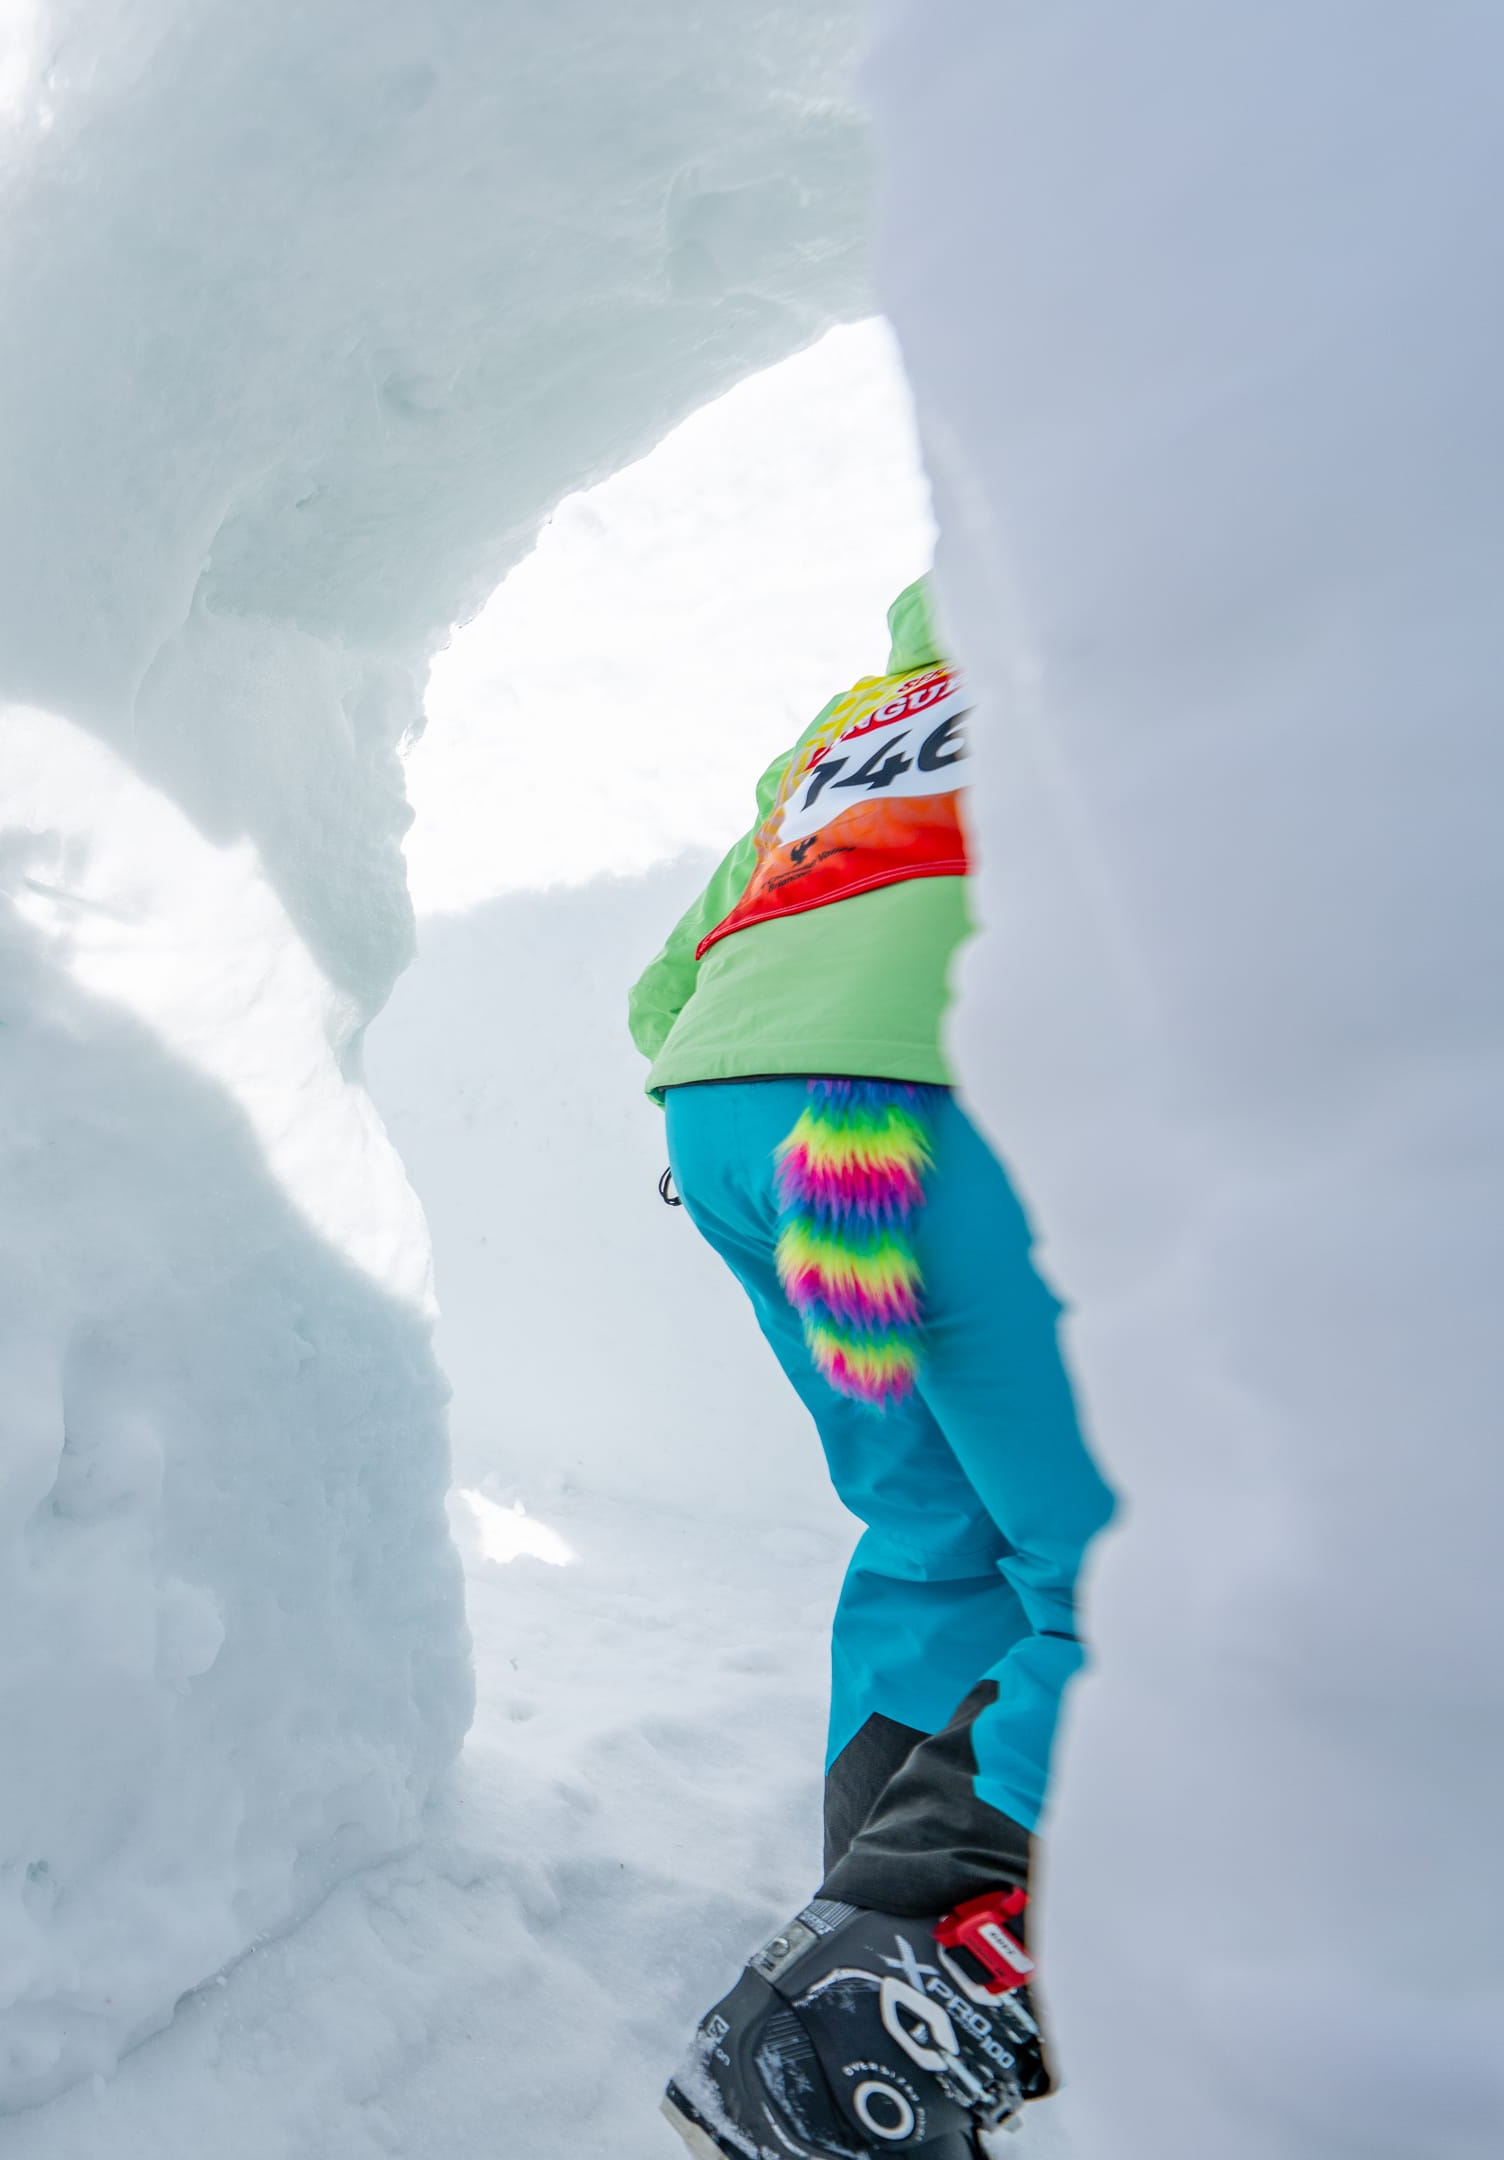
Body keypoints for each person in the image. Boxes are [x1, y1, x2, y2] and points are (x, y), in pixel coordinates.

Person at [630, 580, 1114, 2160]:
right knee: (1119, 1579)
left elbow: (664, 984)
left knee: (932, 1533)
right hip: (937, 1110)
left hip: (739, 1121)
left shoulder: (863, 714)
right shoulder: (1126, 647)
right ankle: (870, 2027)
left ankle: (845, 1914)